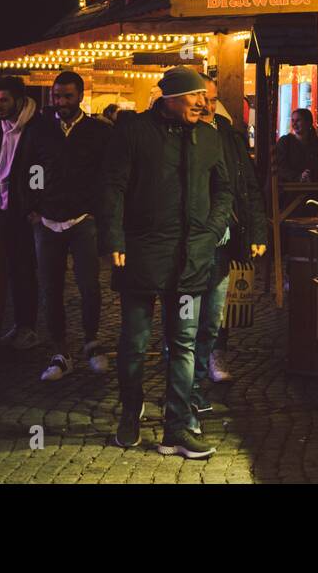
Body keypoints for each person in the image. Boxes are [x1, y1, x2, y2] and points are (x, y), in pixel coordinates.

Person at [100, 66, 232, 458]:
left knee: (184, 344)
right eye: (195, 97)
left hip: (191, 259)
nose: (203, 104)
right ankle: (130, 410)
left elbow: (223, 190)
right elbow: (113, 186)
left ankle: (176, 429)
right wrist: (114, 238)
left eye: (205, 98)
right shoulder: (132, 132)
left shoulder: (209, 136)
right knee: (135, 343)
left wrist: (209, 234)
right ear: (171, 98)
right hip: (141, 254)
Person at [21, 71, 114, 382]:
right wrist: (33, 207)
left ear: (80, 97)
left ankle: (92, 341)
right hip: (47, 219)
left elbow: (107, 176)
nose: (60, 102)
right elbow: (29, 168)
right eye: (56, 96)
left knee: (89, 285)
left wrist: (97, 212)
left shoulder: (98, 133)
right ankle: (60, 351)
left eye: (67, 96)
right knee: (51, 287)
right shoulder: (40, 131)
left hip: (83, 218)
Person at [186, 78, 266, 417]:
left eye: (213, 99)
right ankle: (185, 382)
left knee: (216, 308)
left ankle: (211, 360)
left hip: (224, 234)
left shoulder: (226, 133)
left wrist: (257, 231)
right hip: (187, 236)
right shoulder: (177, 133)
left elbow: (248, 184)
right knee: (186, 311)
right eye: (202, 98)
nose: (207, 105)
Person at [0, 76, 41, 350]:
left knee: (26, 268)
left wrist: (37, 205)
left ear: (19, 100)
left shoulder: (37, 128)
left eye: (4, 100)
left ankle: (29, 327)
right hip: (1, 207)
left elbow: (44, 168)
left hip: (25, 211)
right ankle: (18, 324)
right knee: (11, 268)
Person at [273, 108, 318, 183]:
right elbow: (281, 167)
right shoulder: (285, 142)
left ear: (307, 122)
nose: (294, 124)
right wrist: (299, 177)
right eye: (292, 120)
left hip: (313, 186)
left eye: (298, 120)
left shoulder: (316, 143)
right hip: (289, 187)